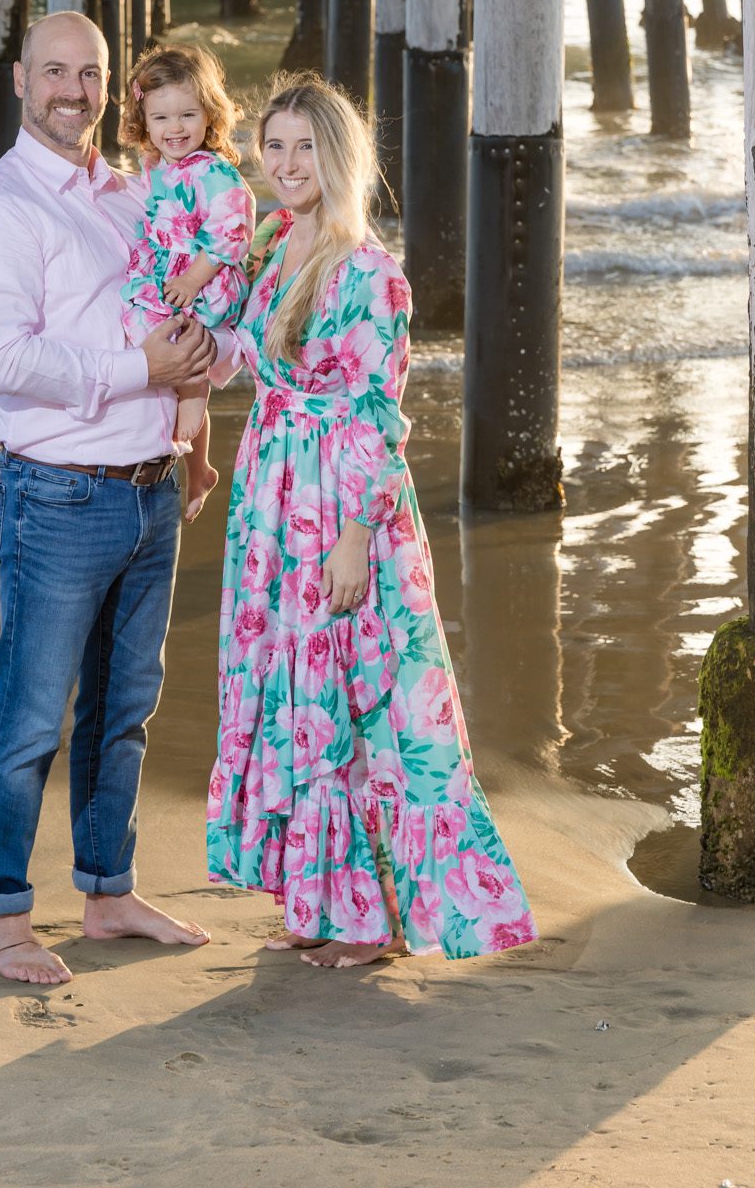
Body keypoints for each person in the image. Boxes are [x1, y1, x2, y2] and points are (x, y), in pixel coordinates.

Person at [206, 75, 536, 967]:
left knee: (356, 695)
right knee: (290, 688)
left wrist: (355, 535)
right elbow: (239, 354)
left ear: (337, 156)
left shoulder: (368, 272)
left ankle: (369, 918)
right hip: (271, 500)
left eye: (303, 147)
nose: (284, 165)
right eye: (271, 147)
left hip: (339, 509)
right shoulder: (274, 248)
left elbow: (377, 417)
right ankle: (316, 902)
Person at [0, 10, 216, 987]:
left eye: (91, 73)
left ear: (113, 86)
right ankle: (7, 920)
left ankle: (108, 892)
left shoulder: (138, 194)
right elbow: (6, 363)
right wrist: (138, 361)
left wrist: (196, 397)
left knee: (124, 708)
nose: (74, 89)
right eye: (55, 70)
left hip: (150, 493)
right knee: (30, 715)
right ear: (21, 79)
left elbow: (183, 317)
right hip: (57, 497)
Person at [119, 44, 256, 520]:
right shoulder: (159, 163)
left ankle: (193, 413)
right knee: (150, 339)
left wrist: (195, 278)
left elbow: (233, 230)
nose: (174, 128)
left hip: (205, 278)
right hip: (172, 275)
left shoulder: (215, 172)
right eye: (160, 118)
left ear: (209, 116)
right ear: (145, 121)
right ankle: (199, 469)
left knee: (184, 357)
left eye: (187, 115)